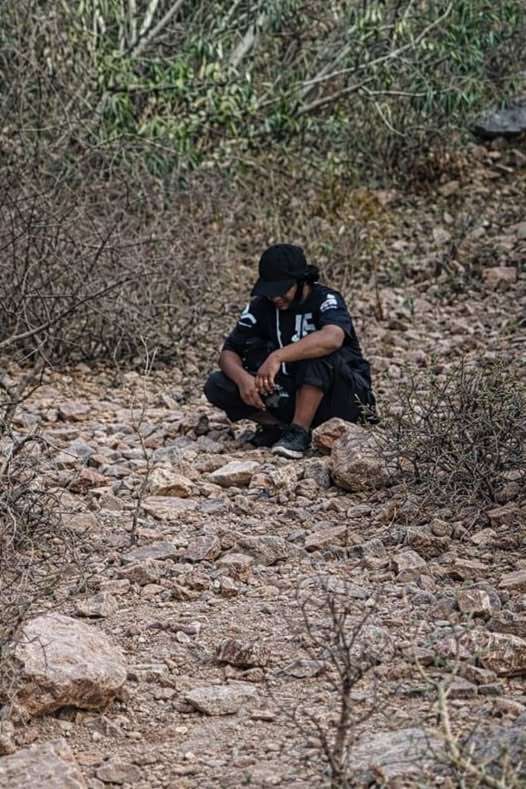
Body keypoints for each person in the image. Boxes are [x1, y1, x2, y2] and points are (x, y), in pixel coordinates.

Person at [204, 244, 376, 459]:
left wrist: (277, 356)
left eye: (282, 290)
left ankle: (299, 432)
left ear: (302, 281)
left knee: (318, 353)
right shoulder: (260, 307)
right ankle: (278, 427)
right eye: (270, 291)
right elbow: (228, 353)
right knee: (218, 384)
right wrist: (242, 380)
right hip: (290, 393)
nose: (275, 298)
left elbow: (332, 338)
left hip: (343, 397)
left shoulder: (326, 299)